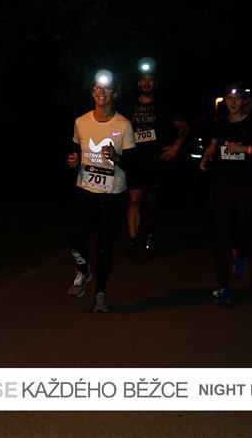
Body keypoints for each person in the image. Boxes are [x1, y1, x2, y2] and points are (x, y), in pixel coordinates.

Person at [66, 69, 136, 312]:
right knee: (75, 236)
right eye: (97, 87)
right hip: (86, 190)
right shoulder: (81, 122)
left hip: (114, 195)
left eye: (107, 88)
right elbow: (75, 151)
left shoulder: (123, 125)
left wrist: (116, 157)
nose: (101, 91)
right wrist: (73, 160)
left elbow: (132, 164)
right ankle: (84, 270)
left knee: (104, 246)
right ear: (92, 92)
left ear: (114, 93)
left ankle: (100, 294)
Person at [200, 83, 252, 305]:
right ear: (225, 101)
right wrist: (206, 159)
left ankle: (241, 253)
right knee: (221, 237)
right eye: (229, 98)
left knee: (243, 227)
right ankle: (223, 288)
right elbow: (213, 146)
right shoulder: (220, 124)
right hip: (222, 185)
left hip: (247, 186)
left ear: (244, 101)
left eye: (237, 98)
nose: (233, 102)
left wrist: (245, 149)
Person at [124, 58, 190, 261]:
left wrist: (176, 147)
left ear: (155, 84)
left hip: (156, 162)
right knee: (134, 200)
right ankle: (133, 243)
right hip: (135, 160)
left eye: (150, 80)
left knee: (151, 201)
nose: (147, 83)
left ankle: (150, 228)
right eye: (143, 80)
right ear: (138, 83)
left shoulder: (163, 106)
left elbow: (184, 127)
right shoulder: (129, 106)